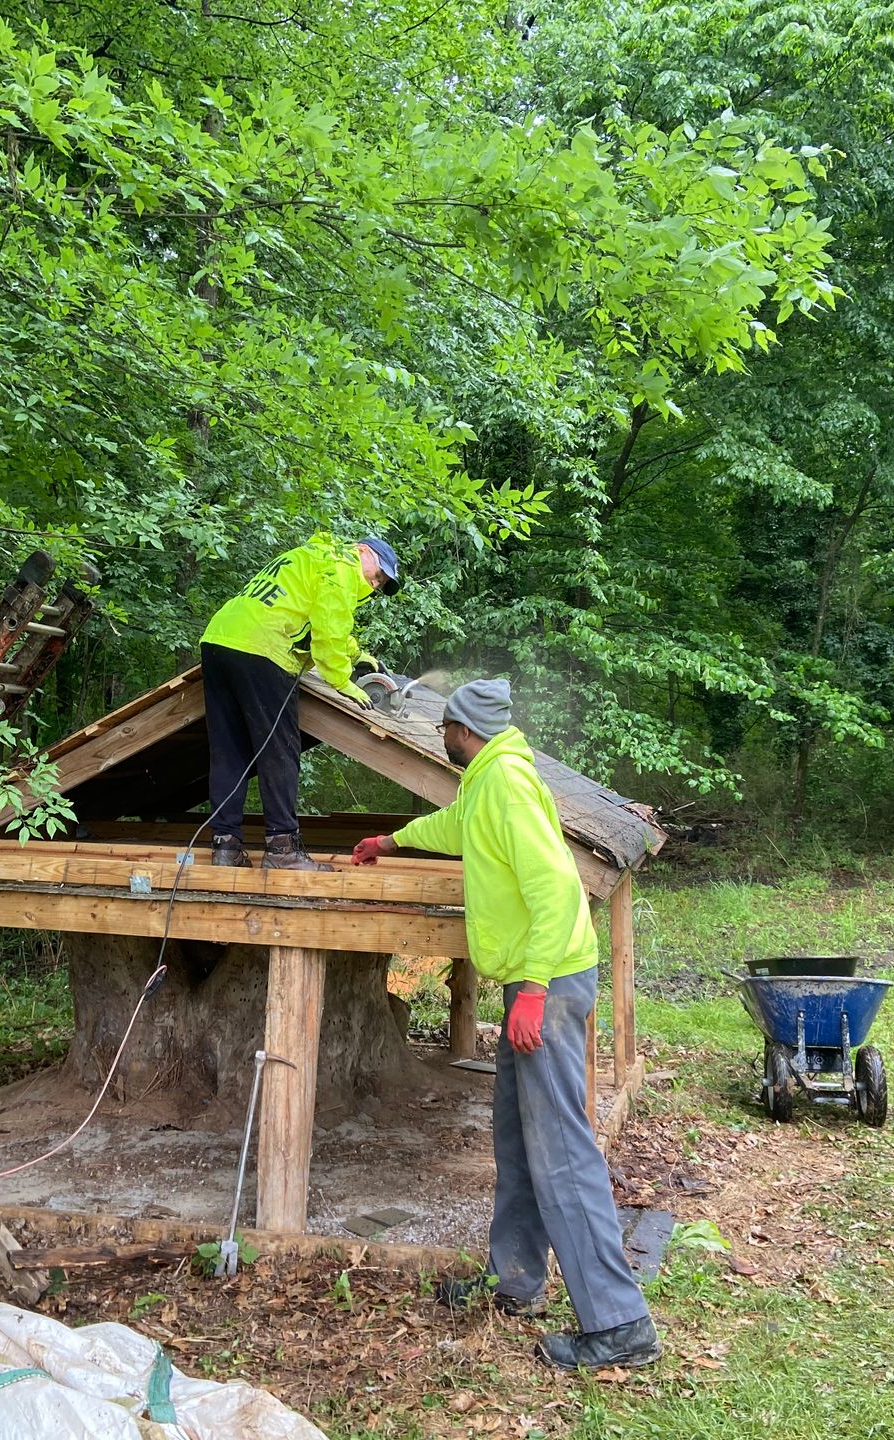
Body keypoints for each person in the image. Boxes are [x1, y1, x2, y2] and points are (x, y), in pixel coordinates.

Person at [352, 679, 660, 1371]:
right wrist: (391, 842)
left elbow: (556, 888)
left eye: (446, 729)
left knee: (561, 1149)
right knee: (519, 1138)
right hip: (534, 978)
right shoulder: (488, 780)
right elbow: (456, 827)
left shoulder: (509, 785)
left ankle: (619, 1322)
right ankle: (515, 1279)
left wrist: (534, 992)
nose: (440, 739)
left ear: (465, 729)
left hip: (546, 980)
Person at [200, 533, 402, 871]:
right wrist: (344, 681)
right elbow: (327, 638)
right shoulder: (343, 567)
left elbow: (314, 617)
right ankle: (282, 850)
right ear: (363, 551)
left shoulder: (313, 557)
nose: (375, 583)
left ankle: (226, 848)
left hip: (219, 641)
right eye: (378, 573)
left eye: (380, 583)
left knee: (229, 750)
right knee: (279, 750)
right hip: (264, 648)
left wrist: (357, 654)